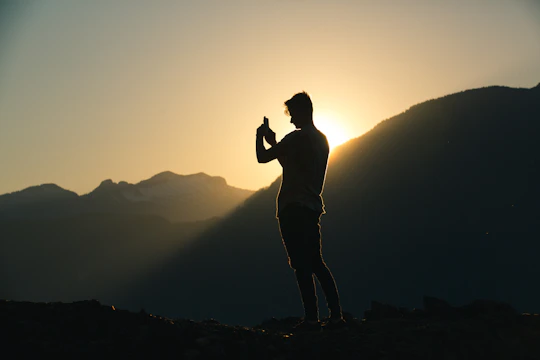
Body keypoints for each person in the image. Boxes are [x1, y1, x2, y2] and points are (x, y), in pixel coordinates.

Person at [256, 91, 346, 332]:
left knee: (300, 264)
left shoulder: (295, 139)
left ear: (303, 111)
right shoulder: (323, 140)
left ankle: (311, 319)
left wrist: (260, 137)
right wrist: (276, 143)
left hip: (292, 208)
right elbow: (292, 165)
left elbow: (261, 158)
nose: (290, 119)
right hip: (312, 207)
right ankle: (336, 315)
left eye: (292, 113)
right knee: (316, 261)